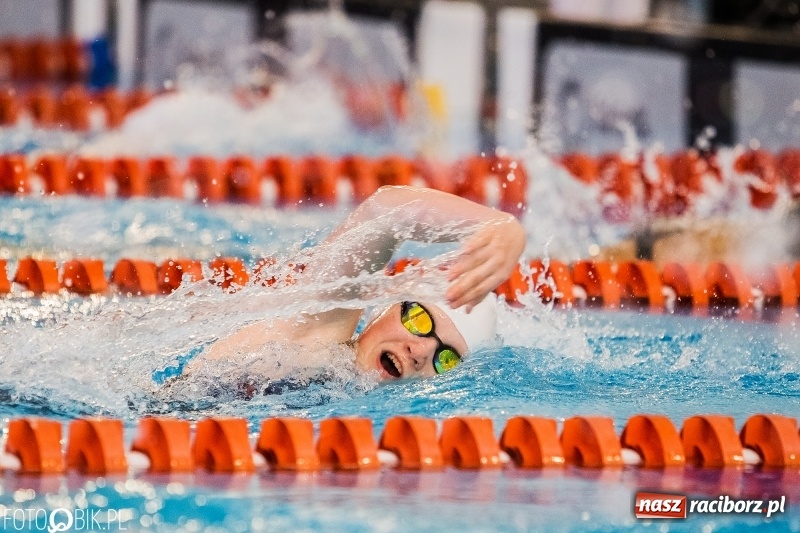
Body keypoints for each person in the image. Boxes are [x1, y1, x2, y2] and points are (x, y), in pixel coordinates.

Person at [185, 185, 525, 384]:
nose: (421, 352)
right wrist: (502, 226)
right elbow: (385, 211)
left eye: (446, 358)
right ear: (386, 308)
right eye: (419, 321)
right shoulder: (317, 328)